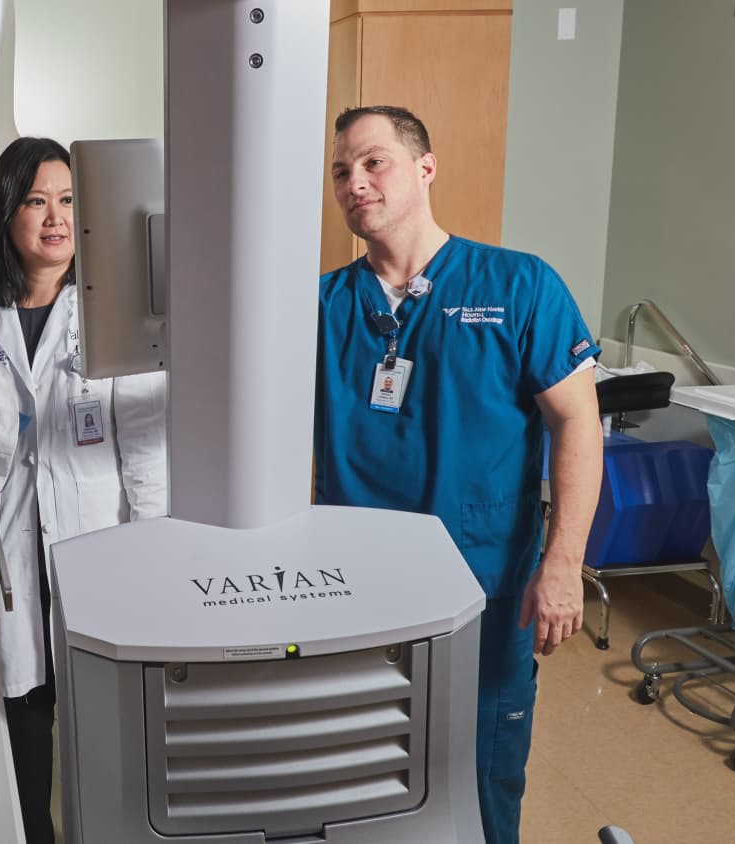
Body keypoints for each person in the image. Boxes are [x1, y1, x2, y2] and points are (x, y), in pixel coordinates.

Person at [313, 106, 601, 844]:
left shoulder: (519, 286)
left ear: (425, 168)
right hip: (353, 592)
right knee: (357, 772)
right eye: (342, 170)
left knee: (480, 778)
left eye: (373, 162)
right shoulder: (317, 305)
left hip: (483, 589)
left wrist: (563, 563)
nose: (355, 182)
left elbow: (577, 423)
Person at [0, 136, 169, 844]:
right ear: (5, 215)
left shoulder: (116, 314)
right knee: (21, 728)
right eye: (35, 201)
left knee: (103, 735)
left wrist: (151, 558)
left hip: (99, 550)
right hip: (9, 560)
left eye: (68, 200)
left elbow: (147, 455)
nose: (55, 217)